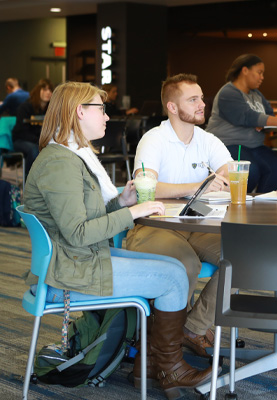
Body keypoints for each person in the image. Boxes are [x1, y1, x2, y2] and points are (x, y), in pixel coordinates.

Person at [23, 81, 212, 397]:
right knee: (174, 277)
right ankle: (168, 367)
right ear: (80, 111)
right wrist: (133, 212)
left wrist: (120, 203)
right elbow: (79, 232)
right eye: (102, 109)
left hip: (75, 261)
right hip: (69, 274)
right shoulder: (61, 163)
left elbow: (80, 221)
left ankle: (154, 366)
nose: (107, 118)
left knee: (172, 269)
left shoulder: (66, 156)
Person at [126, 73, 232, 360]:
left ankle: (192, 328)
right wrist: (199, 186)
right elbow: (146, 186)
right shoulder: (154, 139)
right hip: (154, 225)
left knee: (243, 255)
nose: (202, 104)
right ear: (172, 107)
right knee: (185, 264)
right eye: (193, 99)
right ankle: (163, 352)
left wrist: (221, 177)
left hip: (197, 222)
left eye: (201, 97)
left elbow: (230, 172)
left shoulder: (207, 139)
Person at [206, 54, 277, 192]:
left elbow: (268, 114)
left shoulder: (256, 94)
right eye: (259, 72)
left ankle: (263, 203)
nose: (262, 77)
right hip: (230, 144)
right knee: (249, 171)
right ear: (245, 70)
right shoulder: (228, 92)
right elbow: (247, 117)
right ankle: (240, 203)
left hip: (255, 146)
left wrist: (263, 120)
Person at [12, 79, 53, 175]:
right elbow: (21, 131)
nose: (48, 92)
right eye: (44, 89)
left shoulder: (50, 110)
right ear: (37, 91)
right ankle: (29, 182)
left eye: (50, 90)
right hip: (21, 140)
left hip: (39, 141)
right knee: (34, 150)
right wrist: (40, 141)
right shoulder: (25, 107)